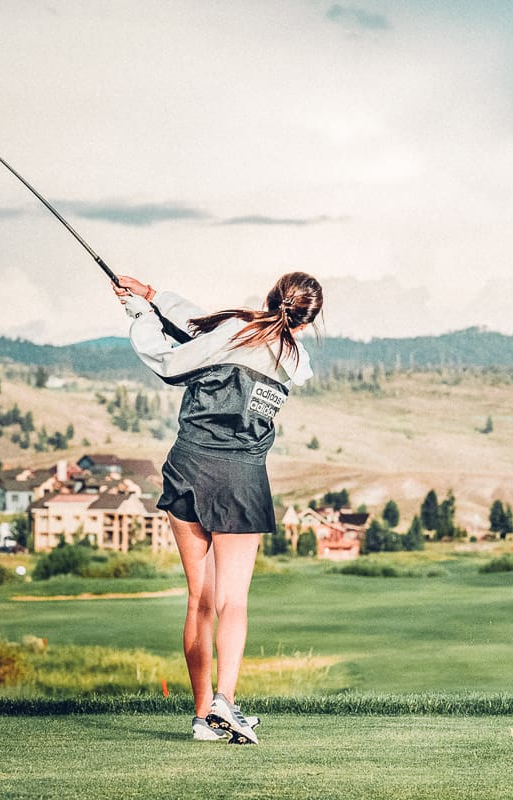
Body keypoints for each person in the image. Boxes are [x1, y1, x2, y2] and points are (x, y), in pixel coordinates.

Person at [114, 272, 323, 744]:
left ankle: (203, 714)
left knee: (200, 600)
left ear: (270, 297)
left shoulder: (231, 329)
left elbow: (173, 357)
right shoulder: (296, 360)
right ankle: (224, 705)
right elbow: (203, 326)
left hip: (188, 467)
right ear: (308, 321)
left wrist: (141, 312)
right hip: (241, 480)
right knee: (233, 600)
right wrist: (153, 296)